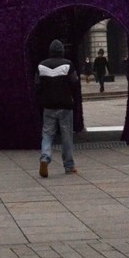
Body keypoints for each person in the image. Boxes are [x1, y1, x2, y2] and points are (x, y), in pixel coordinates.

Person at [35, 39, 79, 177]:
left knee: (47, 134)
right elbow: (75, 82)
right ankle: (69, 166)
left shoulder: (41, 66)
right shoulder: (68, 64)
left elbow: (37, 85)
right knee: (66, 136)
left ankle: (44, 158)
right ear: (62, 51)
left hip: (48, 105)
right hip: (65, 105)